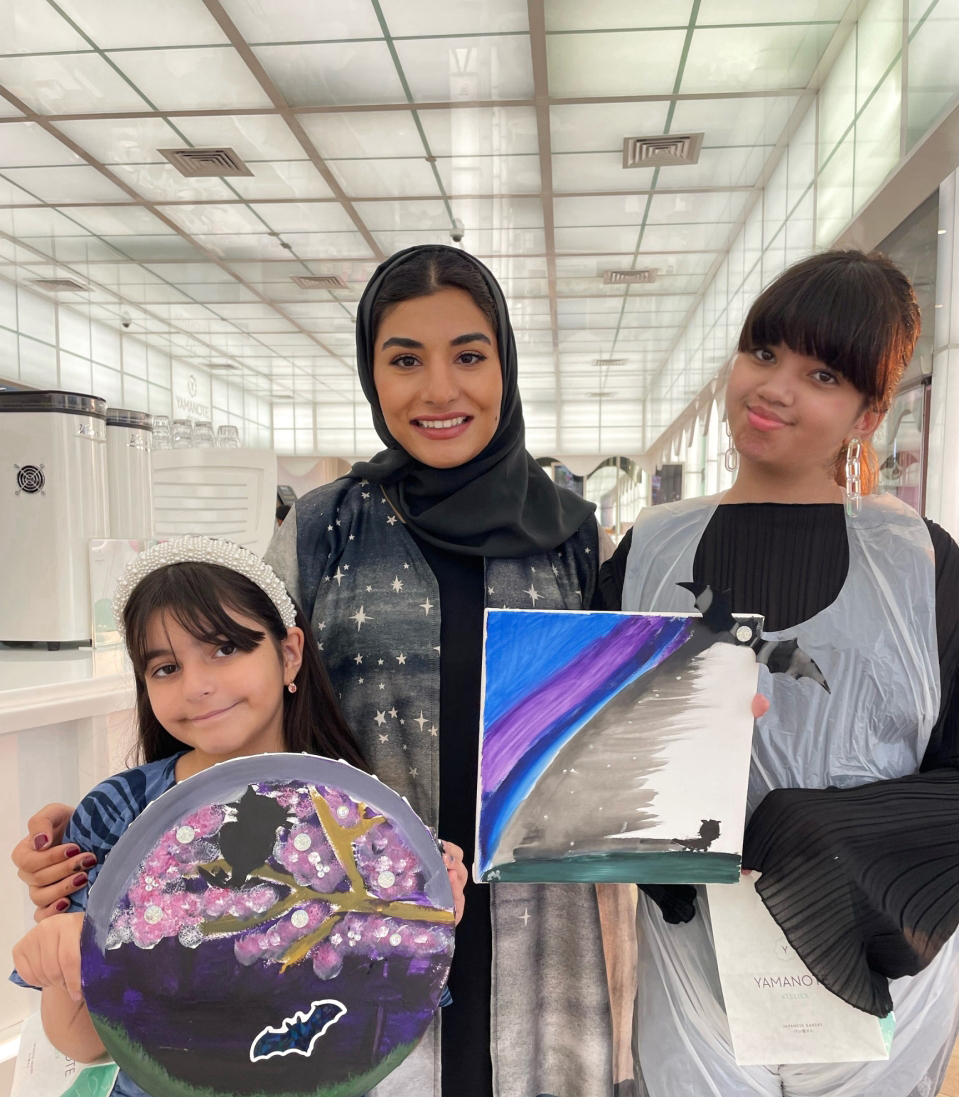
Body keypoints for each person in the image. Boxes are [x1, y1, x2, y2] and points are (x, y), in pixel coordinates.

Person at [12, 247, 624, 1097]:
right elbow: (240, 693)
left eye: (468, 355)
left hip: (532, 915)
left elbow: (609, 717)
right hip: (342, 901)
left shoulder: (569, 535)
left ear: (504, 365)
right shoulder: (323, 527)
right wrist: (116, 832)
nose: (438, 388)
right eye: (404, 359)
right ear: (372, 374)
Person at [598, 250, 959, 1097]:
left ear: (869, 411)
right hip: (695, 958)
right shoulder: (647, 552)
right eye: (762, 352)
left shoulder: (920, 564)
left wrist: (813, 830)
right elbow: (591, 746)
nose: (774, 388)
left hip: (878, 965)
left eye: (822, 374)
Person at [11, 537, 467, 1086]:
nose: (197, 686)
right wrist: (66, 954)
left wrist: (424, 919)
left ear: (289, 653)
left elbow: (387, 1023)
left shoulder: (365, 820)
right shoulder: (117, 813)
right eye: (165, 668)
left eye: (225, 649)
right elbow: (84, 1044)